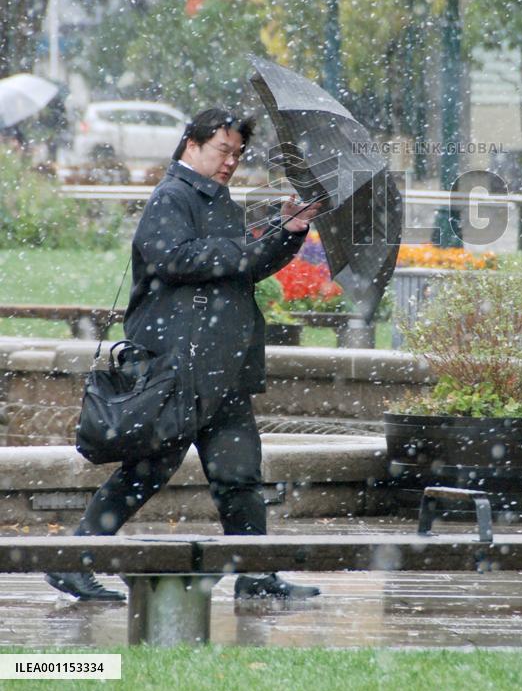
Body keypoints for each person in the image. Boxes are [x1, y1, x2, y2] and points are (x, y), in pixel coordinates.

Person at [46, 108, 321, 603]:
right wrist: (238, 249)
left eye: (237, 153)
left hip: (222, 366)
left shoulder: (221, 202)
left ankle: (255, 576)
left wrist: (288, 232)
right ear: (191, 144)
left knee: (239, 475)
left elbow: (241, 269)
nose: (231, 161)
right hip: (180, 366)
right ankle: (74, 560)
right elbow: (175, 258)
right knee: (147, 469)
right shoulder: (171, 198)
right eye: (223, 149)